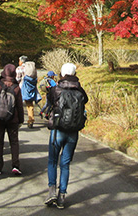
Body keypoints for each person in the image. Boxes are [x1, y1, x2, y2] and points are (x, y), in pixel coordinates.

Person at [44, 63, 88, 209]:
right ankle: (62, 195)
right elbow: (85, 101)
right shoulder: (80, 91)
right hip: (73, 132)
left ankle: (51, 191)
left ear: (62, 73)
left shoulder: (56, 89)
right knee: (65, 164)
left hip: (57, 130)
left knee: (52, 161)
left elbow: (49, 101)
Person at [0, 63, 24, 176]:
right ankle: (15, 165)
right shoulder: (16, 87)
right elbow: (19, 106)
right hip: (13, 119)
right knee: (14, 142)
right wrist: (21, 120)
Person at [20, 61, 41, 128]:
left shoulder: (25, 77)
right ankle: (31, 119)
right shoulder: (34, 78)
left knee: (19, 105)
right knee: (30, 105)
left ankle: (19, 119)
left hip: (24, 90)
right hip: (32, 91)